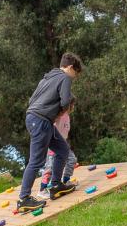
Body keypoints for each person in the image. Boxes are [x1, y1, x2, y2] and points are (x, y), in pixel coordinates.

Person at [17, 52, 82, 213]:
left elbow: (32, 100)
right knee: (36, 161)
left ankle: (55, 185)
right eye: (76, 74)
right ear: (70, 67)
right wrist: (59, 112)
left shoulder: (46, 78)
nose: (74, 77)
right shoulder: (65, 77)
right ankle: (24, 199)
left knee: (62, 150)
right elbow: (66, 101)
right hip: (41, 121)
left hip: (37, 118)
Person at [38, 109, 77, 199]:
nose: (72, 107)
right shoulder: (57, 113)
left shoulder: (67, 116)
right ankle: (42, 189)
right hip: (53, 144)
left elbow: (65, 132)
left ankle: (66, 181)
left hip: (63, 144)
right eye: (71, 104)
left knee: (72, 159)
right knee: (50, 166)